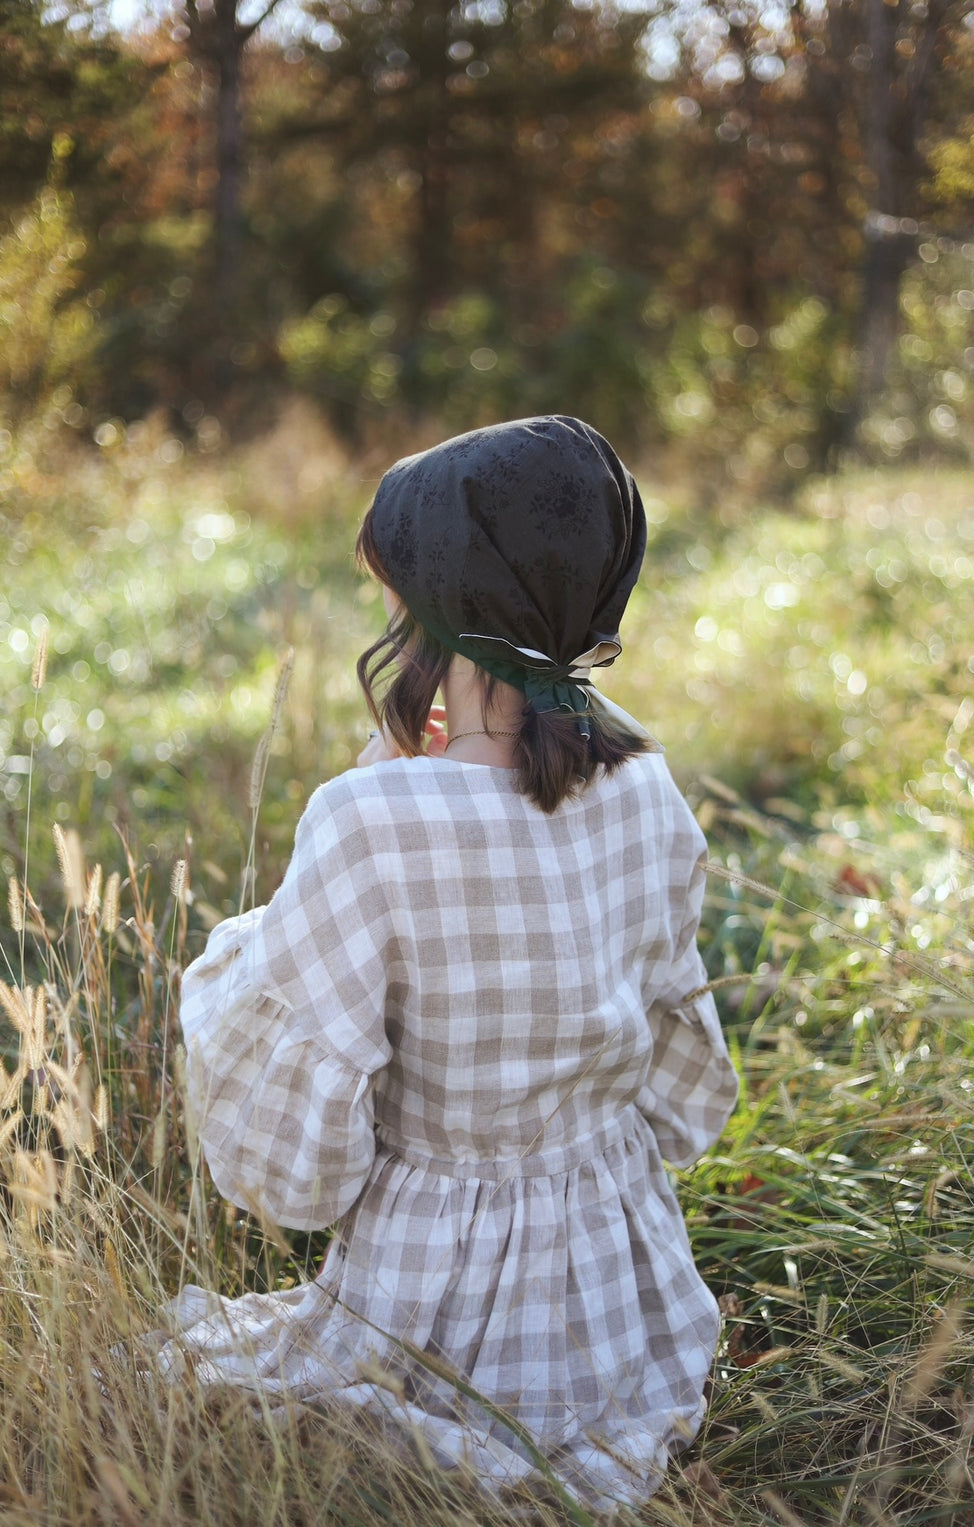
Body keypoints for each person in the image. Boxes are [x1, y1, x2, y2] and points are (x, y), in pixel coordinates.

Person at [163, 416, 739, 1508]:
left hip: (434, 1281)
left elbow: (299, 1151)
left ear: (437, 606)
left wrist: (376, 773)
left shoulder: (369, 821)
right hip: (618, 1273)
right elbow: (672, 1040)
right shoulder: (643, 782)